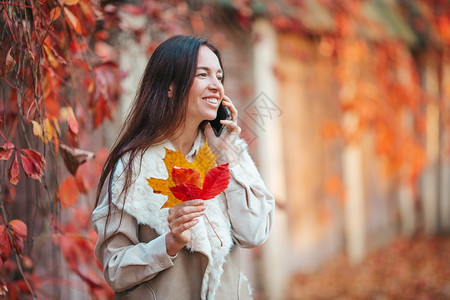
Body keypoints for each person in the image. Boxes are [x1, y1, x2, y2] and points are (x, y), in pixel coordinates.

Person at [92, 35, 275, 300]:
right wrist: (168, 244)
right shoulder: (132, 167)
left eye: (219, 77)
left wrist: (226, 153)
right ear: (170, 86)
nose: (216, 86)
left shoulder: (226, 152)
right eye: (203, 74)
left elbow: (255, 233)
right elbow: (114, 269)